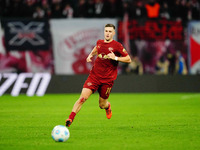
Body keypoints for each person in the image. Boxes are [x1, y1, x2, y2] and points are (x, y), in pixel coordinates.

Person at [66, 24, 132, 127]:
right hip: (94, 76)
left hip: (107, 79)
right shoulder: (100, 42)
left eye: (110, 31)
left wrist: (115, 58)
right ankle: (70, 118)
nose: (108, 33)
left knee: (102, 105)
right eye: (106, 31)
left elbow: (128, 59)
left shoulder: (117, 46)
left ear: (113, 33)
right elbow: (97, 48)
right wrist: (91, 55)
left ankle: (107, 106)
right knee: (82, 98)